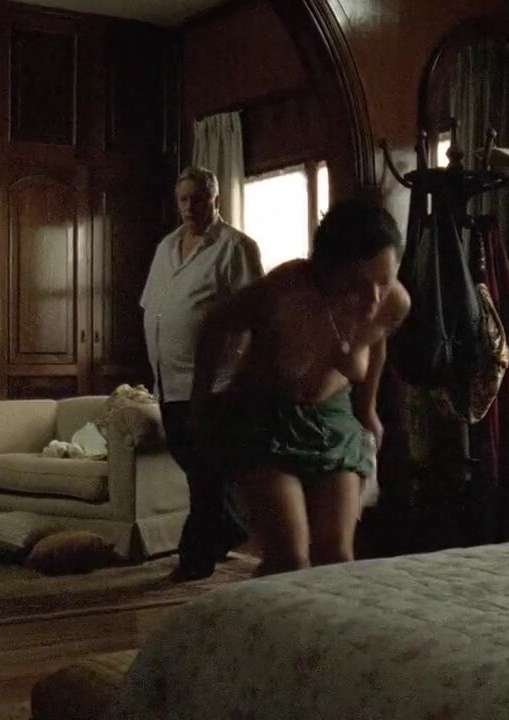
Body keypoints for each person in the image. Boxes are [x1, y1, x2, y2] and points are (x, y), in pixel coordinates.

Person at [189, 197, 411, 576]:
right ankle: (261, 612)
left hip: (331, 418)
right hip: (266, 419)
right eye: (359, 285)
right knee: (289, 559)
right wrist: (201, 401)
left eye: (383, 282)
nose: (374, 299)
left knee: (336, 557)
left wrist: (368, 407)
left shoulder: (394, 304)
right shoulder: (286, 289)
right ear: (331, 270)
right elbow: (214, 324)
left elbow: (377, 339)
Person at [141, 167, 264, 582]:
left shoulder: (235, 247)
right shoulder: (166, 247)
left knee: (205, 473)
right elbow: (153, 306)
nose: (190, 207)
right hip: (169, 382)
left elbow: (253, 315)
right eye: (183, 199)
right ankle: (232, 528)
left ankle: (194, 558)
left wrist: (243, 376)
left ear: (215, 199)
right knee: (192, 462)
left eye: (198, 199)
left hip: (213, 384)